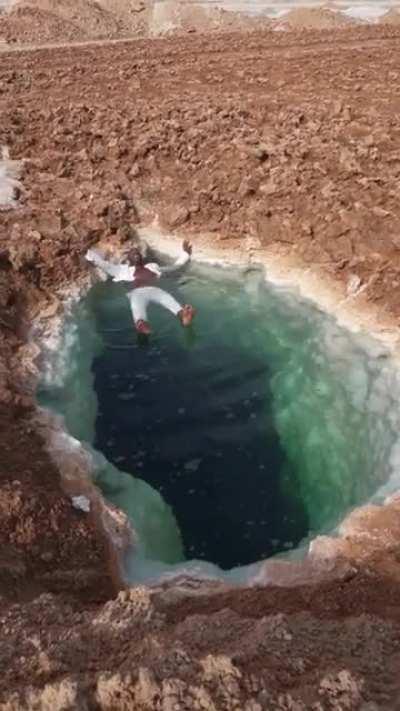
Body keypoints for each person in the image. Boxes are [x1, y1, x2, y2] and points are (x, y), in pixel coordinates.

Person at [85, 240, 196, 335]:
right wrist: (89, 253)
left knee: (167, 298)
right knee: (137, 306)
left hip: (155, 290)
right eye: (133, 253)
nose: (136, 254)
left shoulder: (153, 267)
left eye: (137, 253)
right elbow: (105, 265)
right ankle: (141, 324)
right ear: (128, 259)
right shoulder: (121, 270)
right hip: (136, 293)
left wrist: (185, 254)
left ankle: (183, 315)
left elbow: (173, 267)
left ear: (142, 257)